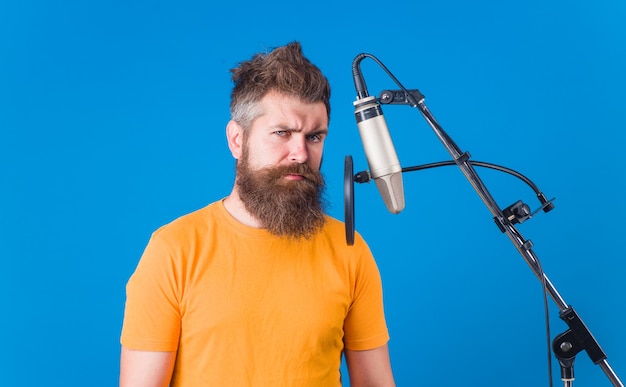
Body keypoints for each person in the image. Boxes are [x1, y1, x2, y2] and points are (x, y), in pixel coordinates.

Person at [119, 41, 395, 387]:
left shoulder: (350, 249)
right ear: (237, 140)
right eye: (282, 133)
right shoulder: (174, 250)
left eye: (314, 137)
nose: (299, 153)